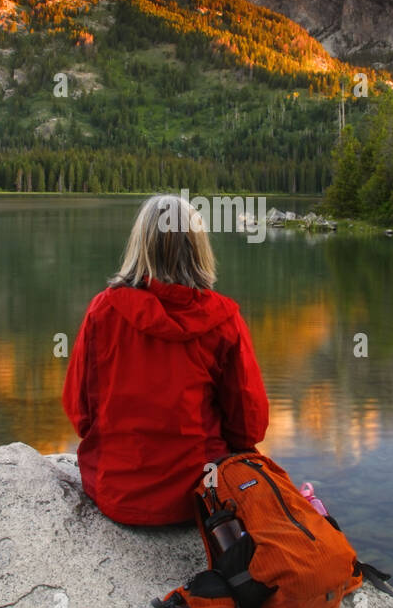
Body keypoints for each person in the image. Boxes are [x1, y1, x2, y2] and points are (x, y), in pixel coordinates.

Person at [62, 193, 269, 526]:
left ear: (139, 245)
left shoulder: (103, 311)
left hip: (117, 494)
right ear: (199, 248)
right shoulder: (224, 320)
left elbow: (80, 413)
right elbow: (249, 426)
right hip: (201, 499)